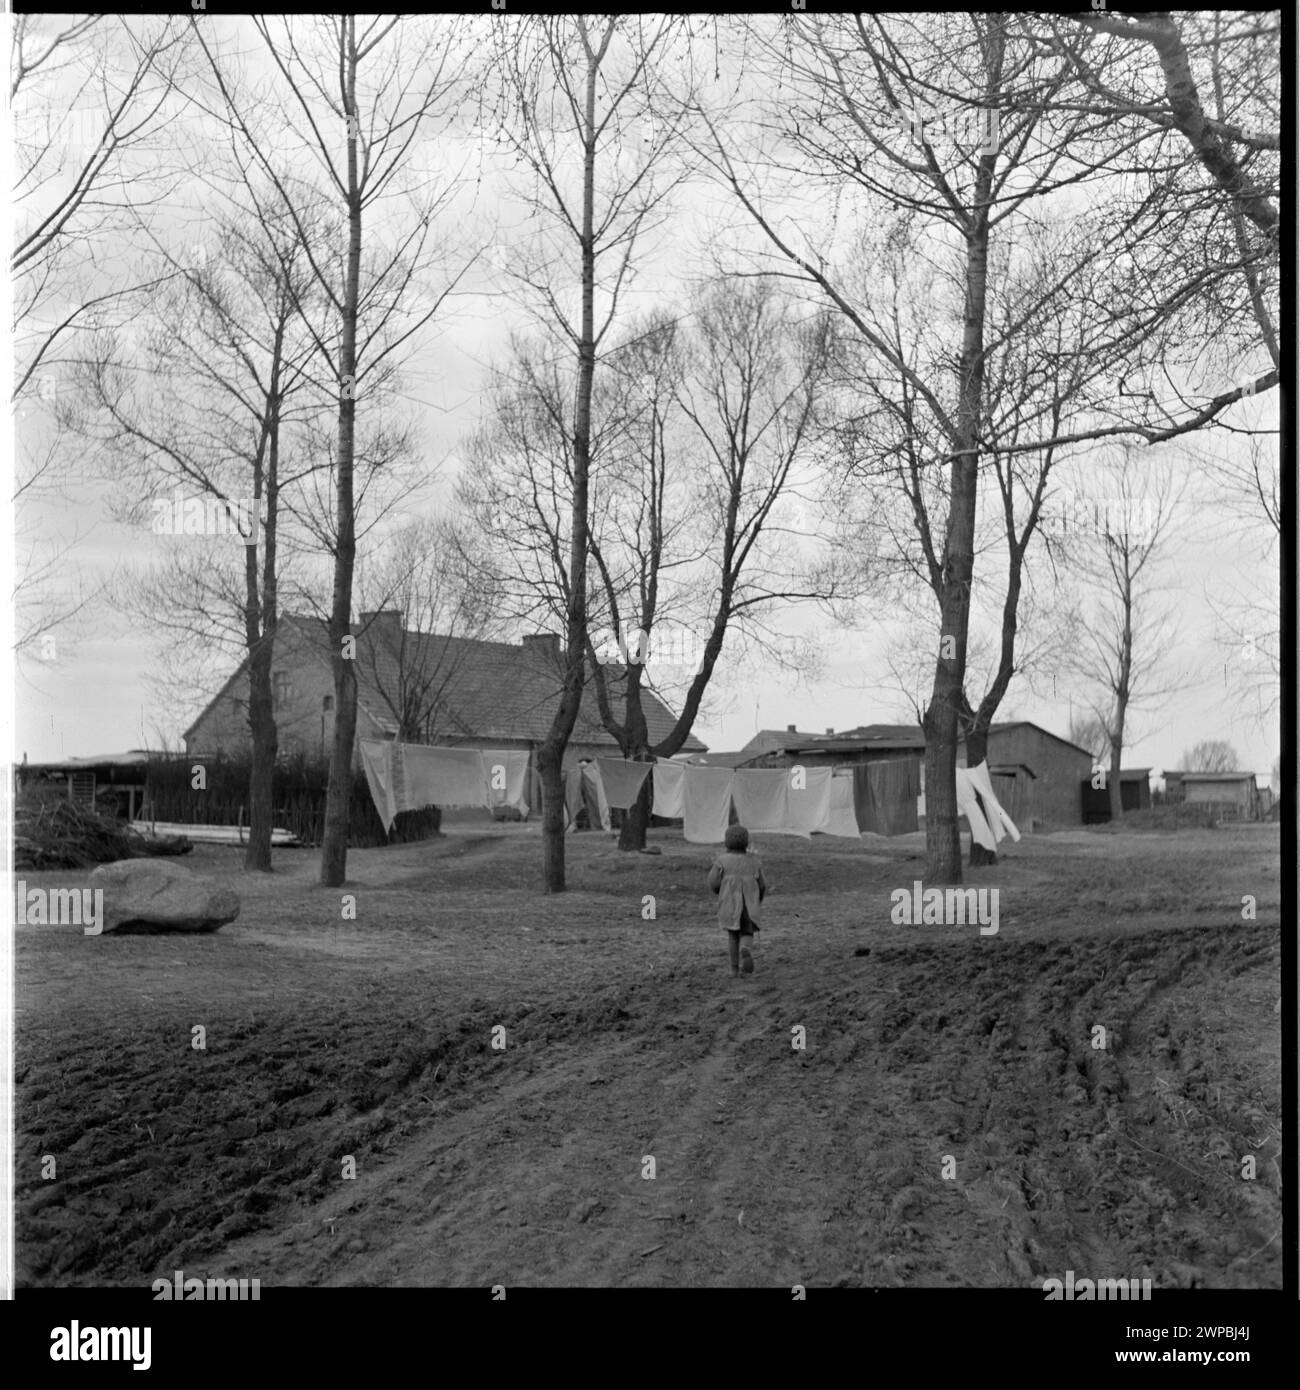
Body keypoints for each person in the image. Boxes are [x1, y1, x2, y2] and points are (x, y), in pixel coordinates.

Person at [707, 823, 767, 978]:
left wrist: (719, 891)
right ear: (746, 842)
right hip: (749, 905)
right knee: (747, 932)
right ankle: (745, 948)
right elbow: (762, 885)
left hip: (730, 904)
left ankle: (734, 969)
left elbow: (713, 881)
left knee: (733, 936)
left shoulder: (722, 860)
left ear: (727, 842)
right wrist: (758, 900)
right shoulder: (754, 861)